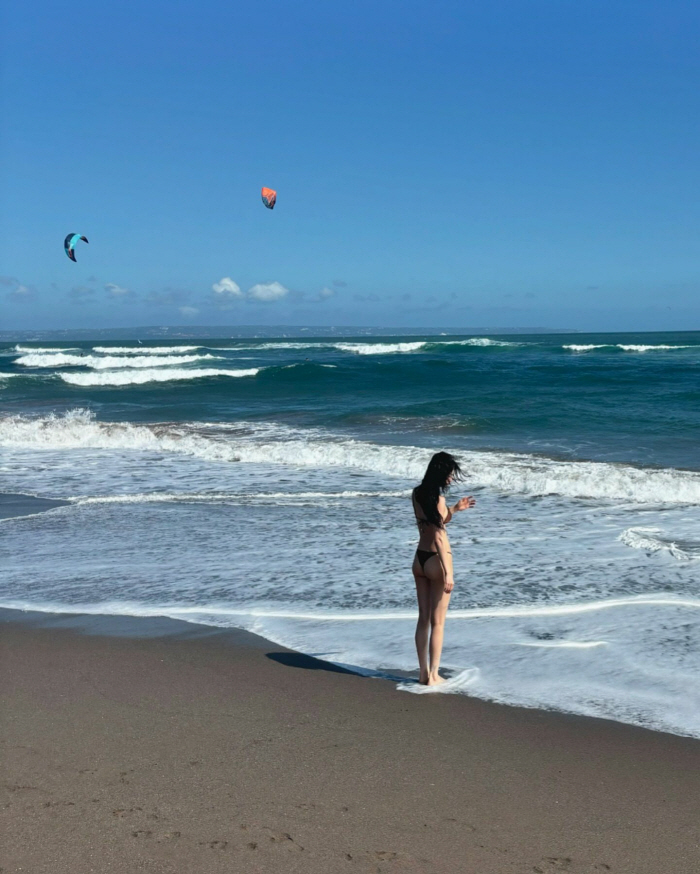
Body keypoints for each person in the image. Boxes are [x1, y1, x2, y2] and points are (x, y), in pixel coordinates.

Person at [412, 452, 476, 685]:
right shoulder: (437, 499)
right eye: (449, 475)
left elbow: (433, 521)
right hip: (437, 562)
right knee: (438, 622)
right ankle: (434, 676)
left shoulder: (417, 494)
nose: (450, 479)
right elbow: (439, 536)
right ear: (440, 473)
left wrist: (455, 509)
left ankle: (422, 673)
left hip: (419, 560)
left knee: (423, 620)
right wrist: (449, 572)